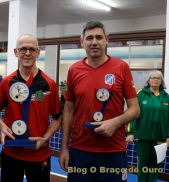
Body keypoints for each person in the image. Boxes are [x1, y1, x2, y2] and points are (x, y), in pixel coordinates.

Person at [58, 20, 140, 182]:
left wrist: (114, 123)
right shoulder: (74, 70)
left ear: (106, 39)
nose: (94, 42)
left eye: (98, 37)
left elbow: (135, 109)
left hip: (113, 151)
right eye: (89, 38)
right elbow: (68, 111)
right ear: (82, 42)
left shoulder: (121, 67)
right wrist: (63, 149)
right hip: (79, 150)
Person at [0, 34, 62, 182]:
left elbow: (57, 118)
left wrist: (45, 138)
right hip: (11, 152)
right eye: (23, 49)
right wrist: (3, 127)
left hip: (39, 154)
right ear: (16, 52)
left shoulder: (49, 84)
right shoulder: (6, 83)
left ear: (38, 52)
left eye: (31, 49)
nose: (27, 53)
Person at [126, 70, 169, 182]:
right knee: (142, 164)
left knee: (156, 165)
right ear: (148, 80)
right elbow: (132, 114)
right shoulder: (140, 94)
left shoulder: (166, 97)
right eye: (153, 77)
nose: (155, 80)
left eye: (158, 78)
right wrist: (131, 132)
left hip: (160, 138)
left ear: (161, 81)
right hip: (142, 137)